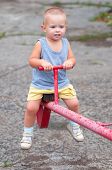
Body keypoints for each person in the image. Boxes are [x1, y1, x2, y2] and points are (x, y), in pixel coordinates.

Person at [21, 7, 84, 149]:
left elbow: (72, 58)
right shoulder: (41, 43)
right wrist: (41, 62)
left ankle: (74, 125)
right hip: (41, 84)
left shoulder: (66, 43)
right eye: (53, 26)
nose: (57, 30)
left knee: (74, 104)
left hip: (61, 83)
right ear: (44, 28)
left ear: (65, 28)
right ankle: (27, 134)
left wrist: (70, 62)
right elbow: (31, 60)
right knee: (31, 108)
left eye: (61, 27)